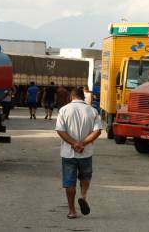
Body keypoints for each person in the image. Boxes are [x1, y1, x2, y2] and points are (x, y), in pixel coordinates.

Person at [55, 86, 102, 219]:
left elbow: (60, 130)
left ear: (71, 96)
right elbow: (97, 131)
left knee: (69, 182)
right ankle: (83, 196)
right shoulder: (92, 111)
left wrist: (73, 143)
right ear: (83, 96)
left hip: (68, 153)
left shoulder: (64, 110)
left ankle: (71, 211)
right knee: (85, 177)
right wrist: (82, 143)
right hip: (86, 153)